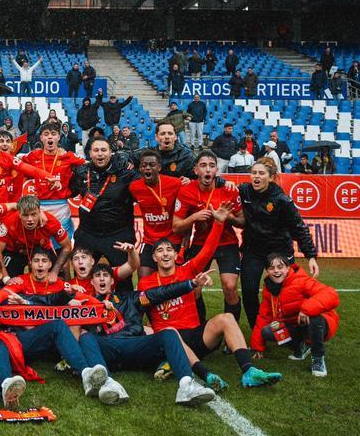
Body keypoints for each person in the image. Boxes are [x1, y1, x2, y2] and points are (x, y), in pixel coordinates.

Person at [140, 202, 283, 389]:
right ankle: (203, 374)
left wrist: (218, 223)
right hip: (169, 338)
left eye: (169, 250)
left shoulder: (188, 270)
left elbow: (208, 250)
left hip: (196, 335)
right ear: (154, 258)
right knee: (161, 332)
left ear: (176, 255)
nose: (165, 254)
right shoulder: (146, 283)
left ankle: (249, 371)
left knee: (227, 318)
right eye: (160, 251)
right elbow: (139, 310)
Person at [0, 249, 125, 407]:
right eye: (36, 261)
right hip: (24, 337)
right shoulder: (20, 281)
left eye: (44, 261)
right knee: (3, 343)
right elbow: (3, 294)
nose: (40, 265)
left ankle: (85, 373)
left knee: (63, 324)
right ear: (30, 264)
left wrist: (100, 305)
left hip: (46, 336)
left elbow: (80, 298)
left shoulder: (59, 284)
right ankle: (6, 387)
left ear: (50, 265)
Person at [80, 262, 217, 405]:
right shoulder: (85, 305)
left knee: (169, 333)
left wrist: (191, 283)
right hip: (109, 348)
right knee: (85, 336)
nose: (102, 279)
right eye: (97, 276)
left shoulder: (132, 298)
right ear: (91, 281)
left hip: (136, 345)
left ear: (112, 280)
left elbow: (162, 292)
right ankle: (106, 382)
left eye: (106, 275)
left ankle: (186, 385)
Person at [239, 158, 318, 328]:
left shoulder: (282, 200)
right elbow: (222, 189)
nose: (256, 177)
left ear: (272, 177)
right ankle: (257, 330)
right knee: (249, 291)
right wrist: (223, 182)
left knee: (287, 294)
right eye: (253, 173)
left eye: (261, 173)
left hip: (279, 250)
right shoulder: (244, 191)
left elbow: (299, 228)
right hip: (253, 250)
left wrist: (311, 255)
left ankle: (292, 332)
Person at [173, 151, 245, 322]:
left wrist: (228, 217)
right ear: (196, 170)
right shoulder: (186, 191)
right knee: (194, 288)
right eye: (203, 165)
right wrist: (194, 217)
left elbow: (243, 221)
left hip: (227, 243)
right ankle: (201, 329)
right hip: (201, 243)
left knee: (230, 287)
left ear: (216, 170)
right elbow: (176, 226)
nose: (208, 169)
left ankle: (231, 331)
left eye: (212, 166)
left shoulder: (228, 190)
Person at [250, 254, 339, 378]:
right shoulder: (269, 287)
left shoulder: (301, 280)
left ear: (288, 268)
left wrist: (307, 309)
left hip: (320, 323)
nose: (276, 271)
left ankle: (318, 358)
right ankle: (301, 346)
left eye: (280, 267)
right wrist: (258, 346)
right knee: (267, 331)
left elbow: (331, 294)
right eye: (271, 268)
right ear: (267, 271)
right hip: (296, 324)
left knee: (315, 317)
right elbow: (264, 316)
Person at [71, 138, 139, 286]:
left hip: (118, 234)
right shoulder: (81, 172)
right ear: (89, 153)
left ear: (111, 152)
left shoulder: (124, 171)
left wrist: (129, 156)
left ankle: (122, 309)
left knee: (123, 282)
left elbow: (149, 167)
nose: (100, 154)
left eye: (104, 150)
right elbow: (66, 190)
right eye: (96, 150)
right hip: (87, 234)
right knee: (82, 279)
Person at [22, 122, 83, 239]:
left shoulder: (68, 156)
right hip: (40, 207)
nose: (50, 137)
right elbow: (15, 162)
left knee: (63, 244)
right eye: (46, 134)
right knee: (42, 244)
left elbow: (90, 165)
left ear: (59, 137)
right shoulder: (33, 155)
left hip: (61, 207)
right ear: (41, 137)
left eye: (53, 134)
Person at [129, 150, 183, 277]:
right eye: (144, 165)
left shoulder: (175, 184)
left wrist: (185, 238)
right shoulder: (134, 187)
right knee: (143, 278)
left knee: (175, 281)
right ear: (140, 168)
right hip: (149, 240)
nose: (147, 168)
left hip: (172, 239)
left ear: (159, 167)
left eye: (152, 165)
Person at [0, 195, 71, 279]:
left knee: (59, 278)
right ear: (19, 214)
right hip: (15, 252)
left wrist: (55, 272)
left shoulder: (51, 222)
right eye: (25, 215)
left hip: (41, 250)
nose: (30, 219)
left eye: (33, 214)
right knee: (6, 281)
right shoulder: (9, 222)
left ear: (39, 212)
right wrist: (6, 279)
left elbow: (67, 247)